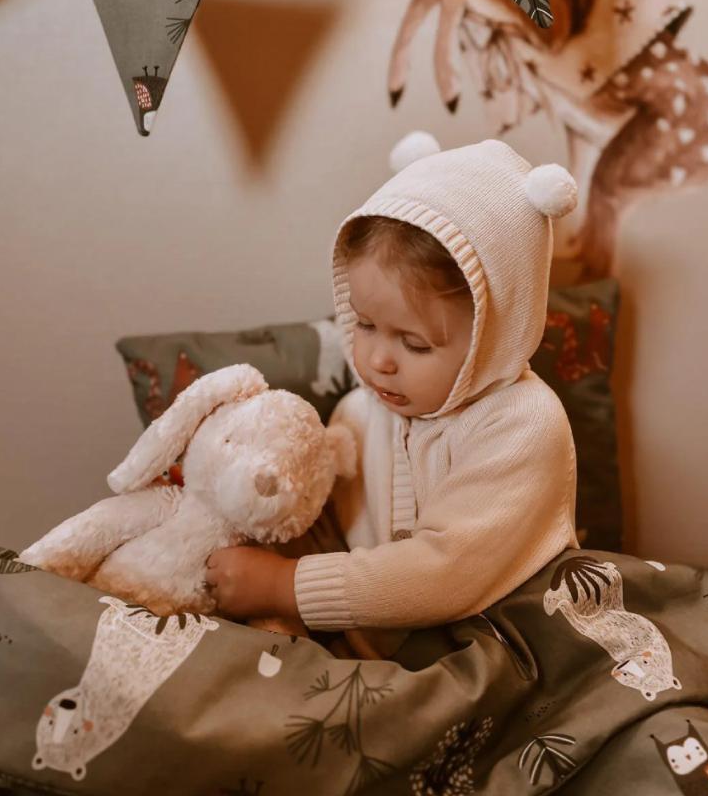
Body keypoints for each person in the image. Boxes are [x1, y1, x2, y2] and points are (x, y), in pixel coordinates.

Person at [205, 132, 581, 657]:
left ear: (493, 335)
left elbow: (444, 572)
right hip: (372, 654)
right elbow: (318, 519)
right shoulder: (361, 410)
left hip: (497, 654)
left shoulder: (523, 425)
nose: (379, 360)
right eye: (364, 324)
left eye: (414, 343)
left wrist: (281, 586)